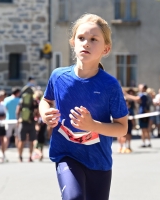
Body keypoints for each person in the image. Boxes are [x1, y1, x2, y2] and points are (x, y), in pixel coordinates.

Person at [39, 14, 128, 200]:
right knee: (73, 198)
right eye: (81, 38)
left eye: (94, 39)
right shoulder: (58, 76)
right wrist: (45, 113)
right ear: (73, 42)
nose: (86, 43)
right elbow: (45, 100)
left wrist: (93, 125)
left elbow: (122, 128)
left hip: (99, 161)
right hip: (66, 154)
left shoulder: (110, 85)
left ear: (106, 48)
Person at [16, 83, 39, 162]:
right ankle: (30, 157)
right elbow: (37, 112)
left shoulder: (21, 100)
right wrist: (36, 119)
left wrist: (18, 119)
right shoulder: (34, 101)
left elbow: (18, 110)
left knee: (21, 140)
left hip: (23, 122)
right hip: (31, 122)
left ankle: (20, 156)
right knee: (31, 141)